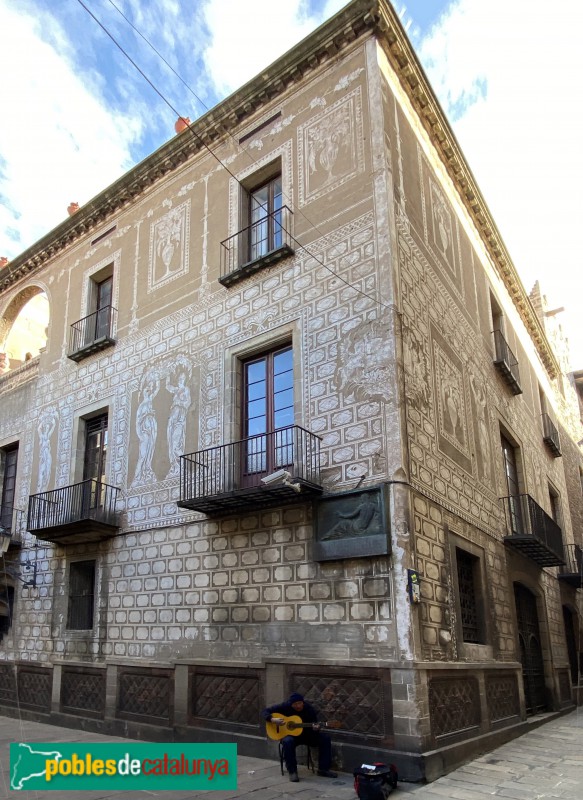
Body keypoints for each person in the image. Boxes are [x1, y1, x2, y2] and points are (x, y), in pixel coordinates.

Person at [262, 692, 337, 782]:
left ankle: (323, 769)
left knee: (325, 738)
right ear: (291, 704)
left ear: (303, 702)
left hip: (306, 735)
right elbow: (264, 711)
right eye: (295, 704)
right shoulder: (285, 706)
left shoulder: (309, 709)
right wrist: (272, 719)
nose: (298, 706)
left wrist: (316, 728)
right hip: (291, 737)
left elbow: (314, 724)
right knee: (287, 742)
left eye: (300, 703)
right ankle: (292, 771)